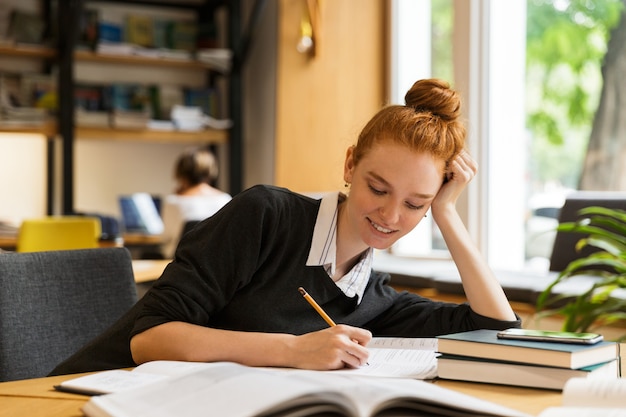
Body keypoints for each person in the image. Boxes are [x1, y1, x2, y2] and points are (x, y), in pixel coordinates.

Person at [50, 78, 520, 375]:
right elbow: (150, 338)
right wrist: (295, 351)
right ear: (350, 164)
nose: (391, 217)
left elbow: (495, 331)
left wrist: (447, 215)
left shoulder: (371, 298)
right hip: (86, 394)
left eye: (416, 203)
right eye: (378, 188)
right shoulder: (266, 216)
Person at [160, 146, 231, 258]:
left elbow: (164, 237)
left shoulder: (174, 201)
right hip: (216, 262)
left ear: (181, 172)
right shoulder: (225, 199)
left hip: (181, 261)